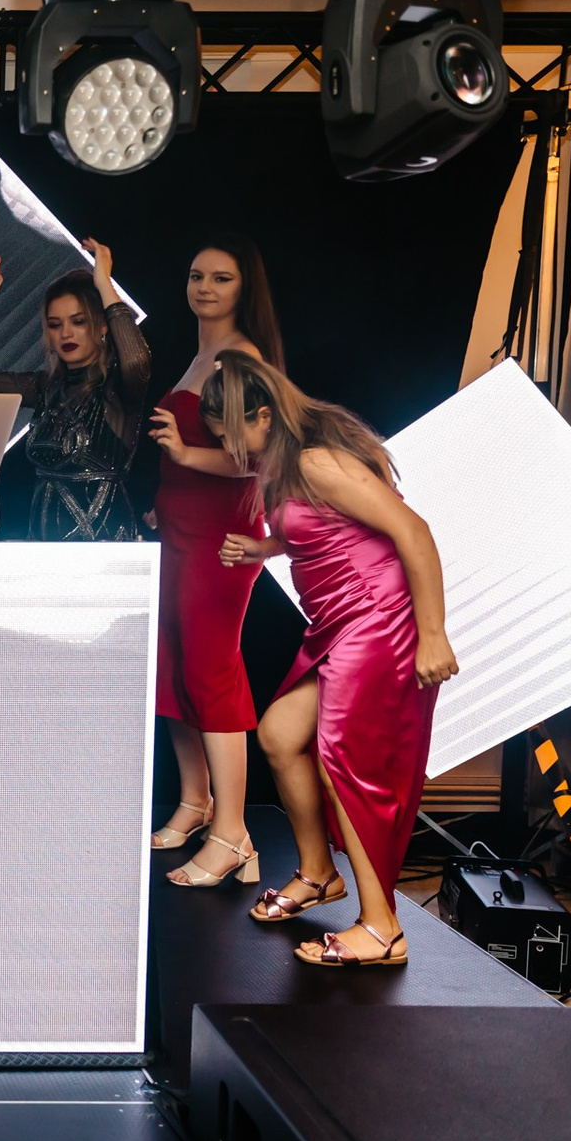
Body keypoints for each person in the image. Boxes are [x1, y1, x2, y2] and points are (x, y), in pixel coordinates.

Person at [204, 353, 456, 966]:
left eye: (232, 435)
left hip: (377, 617)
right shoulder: (284, 467)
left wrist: (433, 634)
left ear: (264, 417)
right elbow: (315, 531)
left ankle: (383, 928)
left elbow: (414, 532)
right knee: (279, 734)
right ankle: (319, 874)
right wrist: (263, 547)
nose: (230, 450)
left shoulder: (319, 461)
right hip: (336, 626)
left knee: (344, 762)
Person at [145, 235, 286, 886]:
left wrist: (183, 457)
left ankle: (234, 834)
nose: (203, 287)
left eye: (220, 278)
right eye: (196, 275)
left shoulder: (242, 357)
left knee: (212, 674)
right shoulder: (203, 353)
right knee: (174, 669)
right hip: (178, 531)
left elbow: (259, 457)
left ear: (243, 288)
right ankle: (196, 803)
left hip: (221, 540)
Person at [0, 241, 152, 541]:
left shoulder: (119, 385)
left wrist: (103, 282)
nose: (65, 333)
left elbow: (137, 357)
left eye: (78, 321)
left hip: (104, 546)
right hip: (43, 543)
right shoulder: (46, 386)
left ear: (102, 325)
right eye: (55, 324)